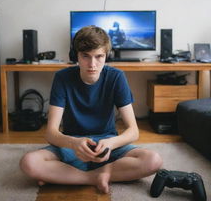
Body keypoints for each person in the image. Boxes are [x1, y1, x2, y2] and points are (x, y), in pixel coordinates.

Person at [20, 25, 162, 193]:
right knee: (29, 162)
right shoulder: (62, 78)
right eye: (85, 56)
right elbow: (51, 133)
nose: (92, 64)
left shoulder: (116, 77)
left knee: (153, 160)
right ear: (76, 56)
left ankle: (68, 176)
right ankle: (98, 176)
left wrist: (111, 143)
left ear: (106, 56)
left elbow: (133, 131)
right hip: (72, 145)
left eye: (99, 56)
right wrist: (74, 143)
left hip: (107, 145)